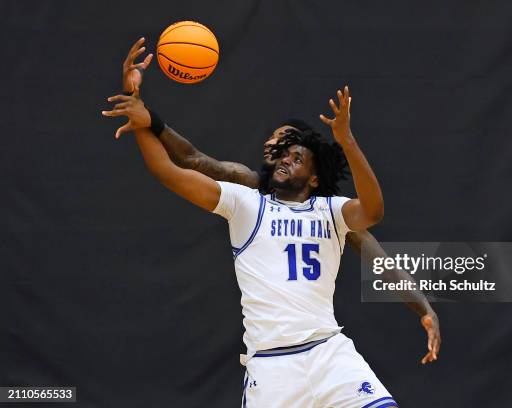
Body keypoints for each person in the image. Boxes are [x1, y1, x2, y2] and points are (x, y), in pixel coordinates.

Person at [117, 37, 441, 364]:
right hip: (272, 353)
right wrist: (141, 106)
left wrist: (423, 308)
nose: (273, 145)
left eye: (286, 144)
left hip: (324, 346)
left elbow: (380, 259)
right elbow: (191, 160)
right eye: (274, 140)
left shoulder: (330, 210)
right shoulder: (251, 187)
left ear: (311, 168)